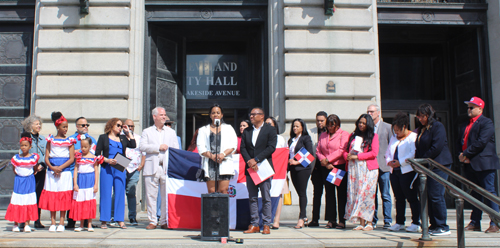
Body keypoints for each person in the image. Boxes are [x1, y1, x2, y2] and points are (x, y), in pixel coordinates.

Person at [459, 97, 500, 233]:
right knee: (476, 193)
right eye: (468, 107)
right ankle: (475, 222)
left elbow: (481, 142)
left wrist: (466, 154)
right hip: (470, 164)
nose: (469, 110)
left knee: (489, 192)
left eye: (472, 107)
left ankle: (496, 222)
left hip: (484, 164)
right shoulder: (467, 124)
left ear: (480, 109)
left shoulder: (486, 122)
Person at [415, 103, 453, 236]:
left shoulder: (438, 126)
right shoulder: (421, 129)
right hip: (427, 166)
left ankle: (442, 225)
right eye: (419, 116)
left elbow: (436, 147)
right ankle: (433, 224)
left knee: (436, 195)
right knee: (428, 195)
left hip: (439, 165)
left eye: (423, 116)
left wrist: (423, 159)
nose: (420, 119)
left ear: (429, 115)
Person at [140, 107, 179, 230]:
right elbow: (142, 147)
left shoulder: (171, 132)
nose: (164, 117)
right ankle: (152, 221)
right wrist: (158, 147)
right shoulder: (147, 131)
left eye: (165, 115)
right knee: (151, 196)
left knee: (165, 196)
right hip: (152, 167)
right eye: (161, 115)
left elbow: (176, 149)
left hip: (166, 167)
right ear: (154, 117)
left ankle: (164, 220)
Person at [241, 107, 277, 235]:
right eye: (250, 114)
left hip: (264, 167)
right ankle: (255, 224)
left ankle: (266, 224)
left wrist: (256, 159)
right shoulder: (247, 131)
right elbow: (243, 148)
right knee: (252, 197)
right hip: (251, 169)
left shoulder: (270, 130)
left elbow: (271, 147)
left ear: (262, 116)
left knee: (266, 197)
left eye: (254, 114)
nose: (251, 117)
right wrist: (250, 162)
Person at [95, 118, 136, 229]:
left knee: (119, 192)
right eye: (118, 125)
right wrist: (107, 160)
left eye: (121, 125)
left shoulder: (122, 138)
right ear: (111, 125)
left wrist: (128, 132)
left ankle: (120, 219)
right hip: (107, 166)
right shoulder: (103, 137)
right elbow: (97, 154)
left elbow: (133, 144)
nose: (120, 127)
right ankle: (104, 220)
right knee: (106, 193)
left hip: (120, 166)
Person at [39, 112, 76, 232]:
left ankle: (61, 222)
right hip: (51, 172)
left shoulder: (69, 141)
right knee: (53, 196)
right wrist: (53, 168)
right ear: (57, 127)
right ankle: (53, 222)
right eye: (64, 127)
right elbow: (46, 157)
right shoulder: (50, 140)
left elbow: (71, 158)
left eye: (67, 127)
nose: (65, 129)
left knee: (63, 196)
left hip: (64, 172)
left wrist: (60, 168)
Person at [385, 112, 420, 232]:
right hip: (394, 171)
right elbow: (388, 151)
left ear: (405, 127)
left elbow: (413, 153)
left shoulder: (413, 137)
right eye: (395, 130)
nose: (396, 133)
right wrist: (389, 161)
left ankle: (416, 222)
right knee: (398, 197)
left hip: (407, 171)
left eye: (398, 130)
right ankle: (399, 221)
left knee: (411, 197)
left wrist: (400, 162)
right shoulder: (394, 138)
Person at [344, 114, 379, 231]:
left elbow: (374, 153)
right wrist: (348, 156)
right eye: (360, 122)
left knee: (367, 195)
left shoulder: (373, 136)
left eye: (364, 123)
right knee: (356, 193)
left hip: (368, 169)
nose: (361, 125)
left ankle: (370, 222)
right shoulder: (353, 136)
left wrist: (357, 156)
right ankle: (361, 222)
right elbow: (345, 151)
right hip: (354, 169)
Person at [316, 114, 349, 229]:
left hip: (338, 167)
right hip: (326, 168)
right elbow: (318, 150)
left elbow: (342, 149)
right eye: (328, 125)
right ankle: (331, 219)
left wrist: (328, 159)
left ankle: (342, 220)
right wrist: (323, 161)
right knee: (329, 194)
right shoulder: (323, 135)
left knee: (341, 194)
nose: (330, 128)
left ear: (337, 125)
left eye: (332, 126)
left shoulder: (343, 134)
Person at [197, 104, 238, 193]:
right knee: (212, 191)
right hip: (210, 163)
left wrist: (222, 154)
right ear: (210, 115)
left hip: (224, 161)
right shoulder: (203, 130)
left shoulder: (229, 128)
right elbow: (201, 147)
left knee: (223, 190)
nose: (216, 114)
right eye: (213, 113)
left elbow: (233, 145)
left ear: (222, 115)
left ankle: (224, 207)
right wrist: (212, 156)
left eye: (218, 113)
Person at [5, 132, 40, 233]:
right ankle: (16, 223)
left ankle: (27, 224)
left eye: (25, 145)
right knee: (18, 201)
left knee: (28, 201)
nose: (23, 147)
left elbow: (35, 169)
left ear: (30, 146)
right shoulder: (16, 158)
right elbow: (14, 169)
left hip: (29, 181)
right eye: (22, 145)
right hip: (19, 181)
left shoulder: (33, 158)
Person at [67, 116, 97, 228]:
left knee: (86, 198)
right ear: (77, 126)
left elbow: (95, 154)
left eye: (87, 125)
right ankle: (71, 221)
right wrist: (77, 152)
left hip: (88, 173)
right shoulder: (71, 139)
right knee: (74, 197)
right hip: (73, 171)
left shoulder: (92, 140)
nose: (85, 127)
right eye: (83, 125)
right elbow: (67, 153)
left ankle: (86, 222)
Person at [69, 137, 103, 232]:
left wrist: (96, 185)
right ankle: (81, 224)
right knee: (81, 202)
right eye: (82, 147)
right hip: (81, 181)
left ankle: (89, 224)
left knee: (89, 202)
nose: (83, 149)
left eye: (85, 147)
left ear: (90, 146)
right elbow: (75, 170)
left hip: (90, 181)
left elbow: (96, 171)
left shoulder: (93, 158)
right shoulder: (79, 157)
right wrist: (75, 183)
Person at [367, 104, 393, 229]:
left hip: (384, 166)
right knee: (373, 194)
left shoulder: (388, 127)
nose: (369, 113)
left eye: (372, 111)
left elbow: (391, 146)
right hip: (371, 166)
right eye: (368, 111)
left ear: (378, 112)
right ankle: (373, 219)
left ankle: (387, 220)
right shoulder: (367, 128)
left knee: (385, 194)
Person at [21, 115, 47, 229]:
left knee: (38, 195)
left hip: (41, 170)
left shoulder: (43, 140)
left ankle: (37, 220)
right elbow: (23, 153)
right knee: (27, 195)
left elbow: (46, 154)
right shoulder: (26, 138)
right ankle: (23, 220)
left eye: (39, 124)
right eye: (36, 124)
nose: (39, 126)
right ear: (30, 125)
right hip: (29, 171)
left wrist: (42, 165)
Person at [287, 118, 314, 229]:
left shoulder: (305, 138)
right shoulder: (291, 140)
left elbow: (310, 154)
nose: (295, 128)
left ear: (302, 127)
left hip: (303, 168)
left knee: (302, 193)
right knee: (299, 192)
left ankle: (301, 217)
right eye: (294, 126)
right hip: (293, 169)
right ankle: (304, 216)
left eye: (297, 126)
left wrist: (296, 162)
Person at [265, 116, 288, 229]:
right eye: (266, 124)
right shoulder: (262, 138)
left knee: (278, 194)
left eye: (270, 124)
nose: (268, 126)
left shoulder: (280, 139)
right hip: (266, 171)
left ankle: (276, 220)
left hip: (279, 172)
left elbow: (284, 154)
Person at [308, 111, 328, 227]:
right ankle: (315, 219)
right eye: (318, 120)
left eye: (322, 120)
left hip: (328, 167)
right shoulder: (311, 132)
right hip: (315, 168)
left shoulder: (330, 132)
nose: (319, 123)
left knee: (329, 194)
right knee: (317, 194)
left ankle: (331, 219)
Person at [123, 119, 144, 226]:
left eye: (132, 126)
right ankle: (114, 216)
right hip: (121, 166)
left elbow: (143, 152)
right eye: (128, 126)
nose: (130, 128)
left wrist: (141, 165)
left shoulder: (138, 138)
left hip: (134, 168)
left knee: (131, 192)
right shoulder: (119, 136)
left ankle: (132, 217)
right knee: (117, 193)